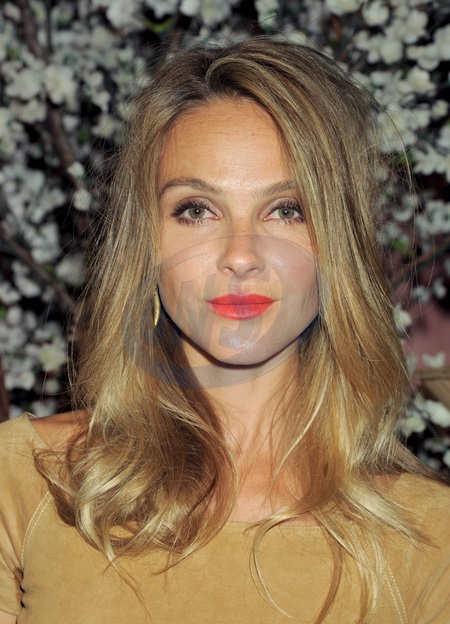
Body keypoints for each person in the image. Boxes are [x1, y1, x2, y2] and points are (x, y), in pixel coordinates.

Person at [0, 37, 449, 624]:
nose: (240, 255)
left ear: (335, 246)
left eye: (286, 209)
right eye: (196, 210)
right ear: (147, 245)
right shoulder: (25, 477)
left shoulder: (431, 537)